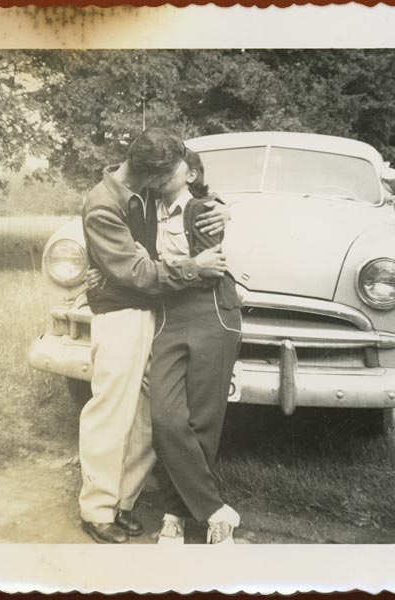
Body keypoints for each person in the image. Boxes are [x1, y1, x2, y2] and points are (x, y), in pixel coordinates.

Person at [79, 128, 229, 544]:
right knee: (111, 410)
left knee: (146, 416)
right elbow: (140, 273)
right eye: (166, 176)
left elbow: (195, 193)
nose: (169, 182)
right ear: (151, 174)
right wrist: (194, 268)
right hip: (120, 313)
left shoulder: (144, 191)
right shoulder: (103, 204)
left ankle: (123, 502)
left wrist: (222, 209)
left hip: (154, 313)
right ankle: (96, 508)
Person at [149, 148, 242, 545]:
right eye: (159, 165)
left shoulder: (205, 208)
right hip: (168, 318)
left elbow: (209, 275)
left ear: (192, 174)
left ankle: (174, 513)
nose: (164, 171)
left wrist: (225, 208)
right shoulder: (145, 209)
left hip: (212, 314)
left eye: (174, 165)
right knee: (166, 417)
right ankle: (215, 510)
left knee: (202, 419)